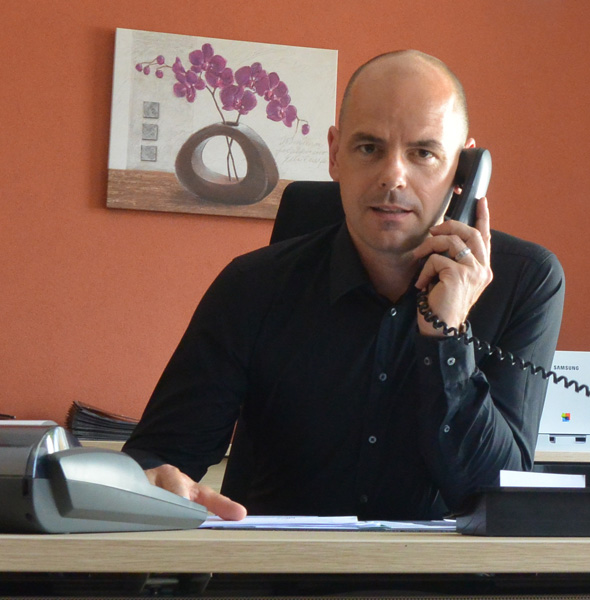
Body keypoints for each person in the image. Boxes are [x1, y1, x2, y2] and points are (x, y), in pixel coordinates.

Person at [122, 50, 564, 521]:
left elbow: (498, 499)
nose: (393, 176)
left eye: (423, 153)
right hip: (275, 566)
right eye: (369, 148)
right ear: (335, 154)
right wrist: (155, 478)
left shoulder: (525, 281)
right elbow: (158, 457)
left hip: (439, 569)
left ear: (465, 169)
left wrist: (446, 335)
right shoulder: (251, 287)